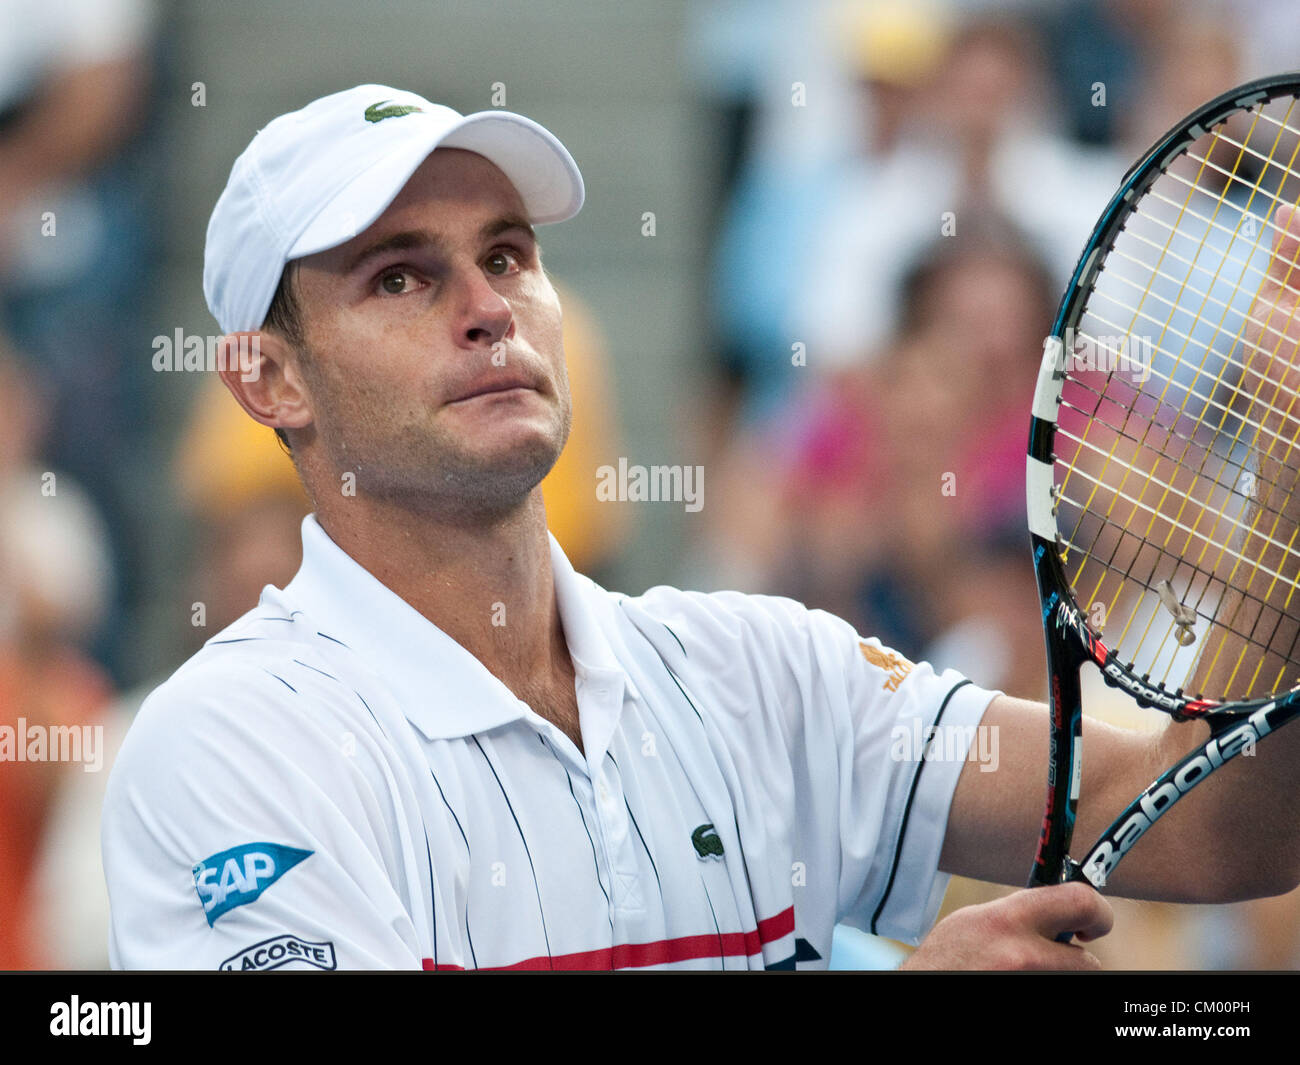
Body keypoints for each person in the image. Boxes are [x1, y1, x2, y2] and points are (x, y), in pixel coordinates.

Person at [102, 84, 1300, 971]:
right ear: (269, 379)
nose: (486, 310)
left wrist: (1289, 478)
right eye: (400, 278)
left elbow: (1208, 833)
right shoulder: (226, 744)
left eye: (508, 256)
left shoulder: (761, 670)